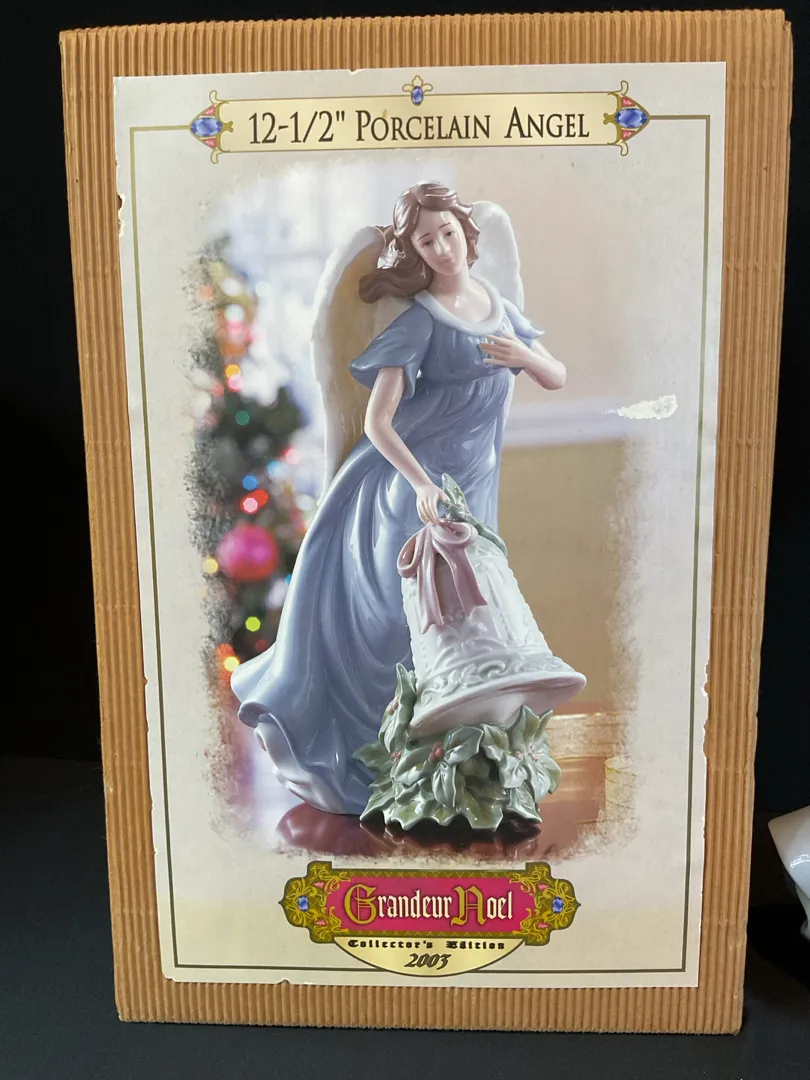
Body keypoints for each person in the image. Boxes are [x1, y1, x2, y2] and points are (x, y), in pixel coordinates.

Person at [230, 182, 567, 814]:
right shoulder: (420, 321)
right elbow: (378, 422)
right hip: (405, 485)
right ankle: (381, 759)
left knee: (467, 617)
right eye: (426, 240)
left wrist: (523, 353)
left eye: (448, 232)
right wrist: (419, 484)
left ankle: (454, 760)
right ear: (414, 251)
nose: (443, 248)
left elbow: (555, 375)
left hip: (470, 483)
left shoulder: (497, 307)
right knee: (402, 615)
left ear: (467, 232)